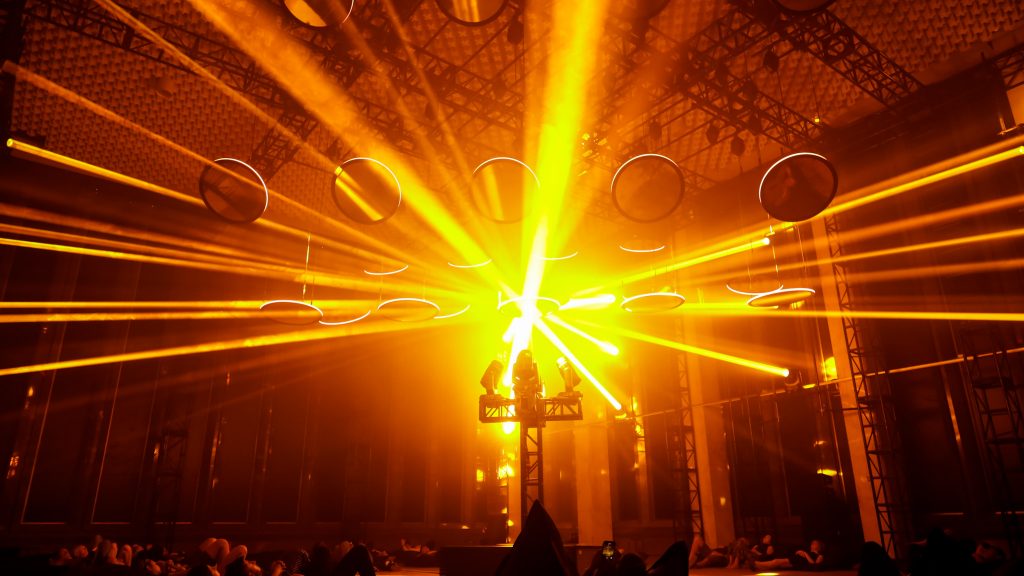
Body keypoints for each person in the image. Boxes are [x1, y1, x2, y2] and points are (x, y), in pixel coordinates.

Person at [751, 539, 826, 571]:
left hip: (798, 562)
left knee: (776, 562)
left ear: (819, 547)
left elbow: (814, 565)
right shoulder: (809, 552)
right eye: (812, 543)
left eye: (815, 544)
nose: (812, 545)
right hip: (797, 561)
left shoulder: (819, 556)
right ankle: (757, 566)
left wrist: (805, 553)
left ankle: (756, 564)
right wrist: (800, 552)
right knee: (778, 565)